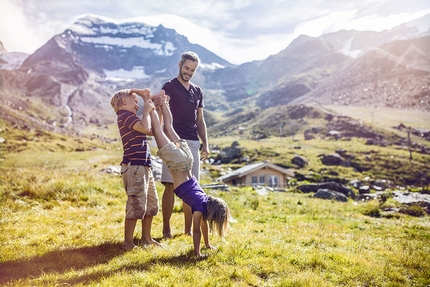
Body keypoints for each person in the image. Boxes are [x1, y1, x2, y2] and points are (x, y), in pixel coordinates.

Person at [134, 88, 230, 256]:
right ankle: (148, 101)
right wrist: (198, 253)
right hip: (178, 165)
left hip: (187, 162)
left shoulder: (205, 199)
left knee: (169, 126)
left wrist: (208, 245)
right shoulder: (200, 209)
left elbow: (203, 228)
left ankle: (163, 102)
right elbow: (197, 231)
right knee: (158, 130)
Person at [161, 51, 209, 238]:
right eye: (187, 68)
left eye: (193, 70)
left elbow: (200, 120)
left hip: (193, 142)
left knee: (191, 186)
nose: (189, 72)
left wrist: (205, 143)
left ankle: (188, 230)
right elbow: (161, 108)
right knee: (169, 185)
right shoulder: (170, 86)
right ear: (180, 65)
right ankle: (166, 229)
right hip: (173, 141)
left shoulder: (198, 91)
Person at [110, 88, 161, 250]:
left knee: (151, 204)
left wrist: (156, 111)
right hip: (134, 166)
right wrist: (146, 110)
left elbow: (154, 131)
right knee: (136, 204)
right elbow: (146, 128)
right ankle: (128, 243)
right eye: (135, 101)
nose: (138, 106)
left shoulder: (132, 118)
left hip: (144, 166)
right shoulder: (124, 116)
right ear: (125, 101)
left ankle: (147, 238)